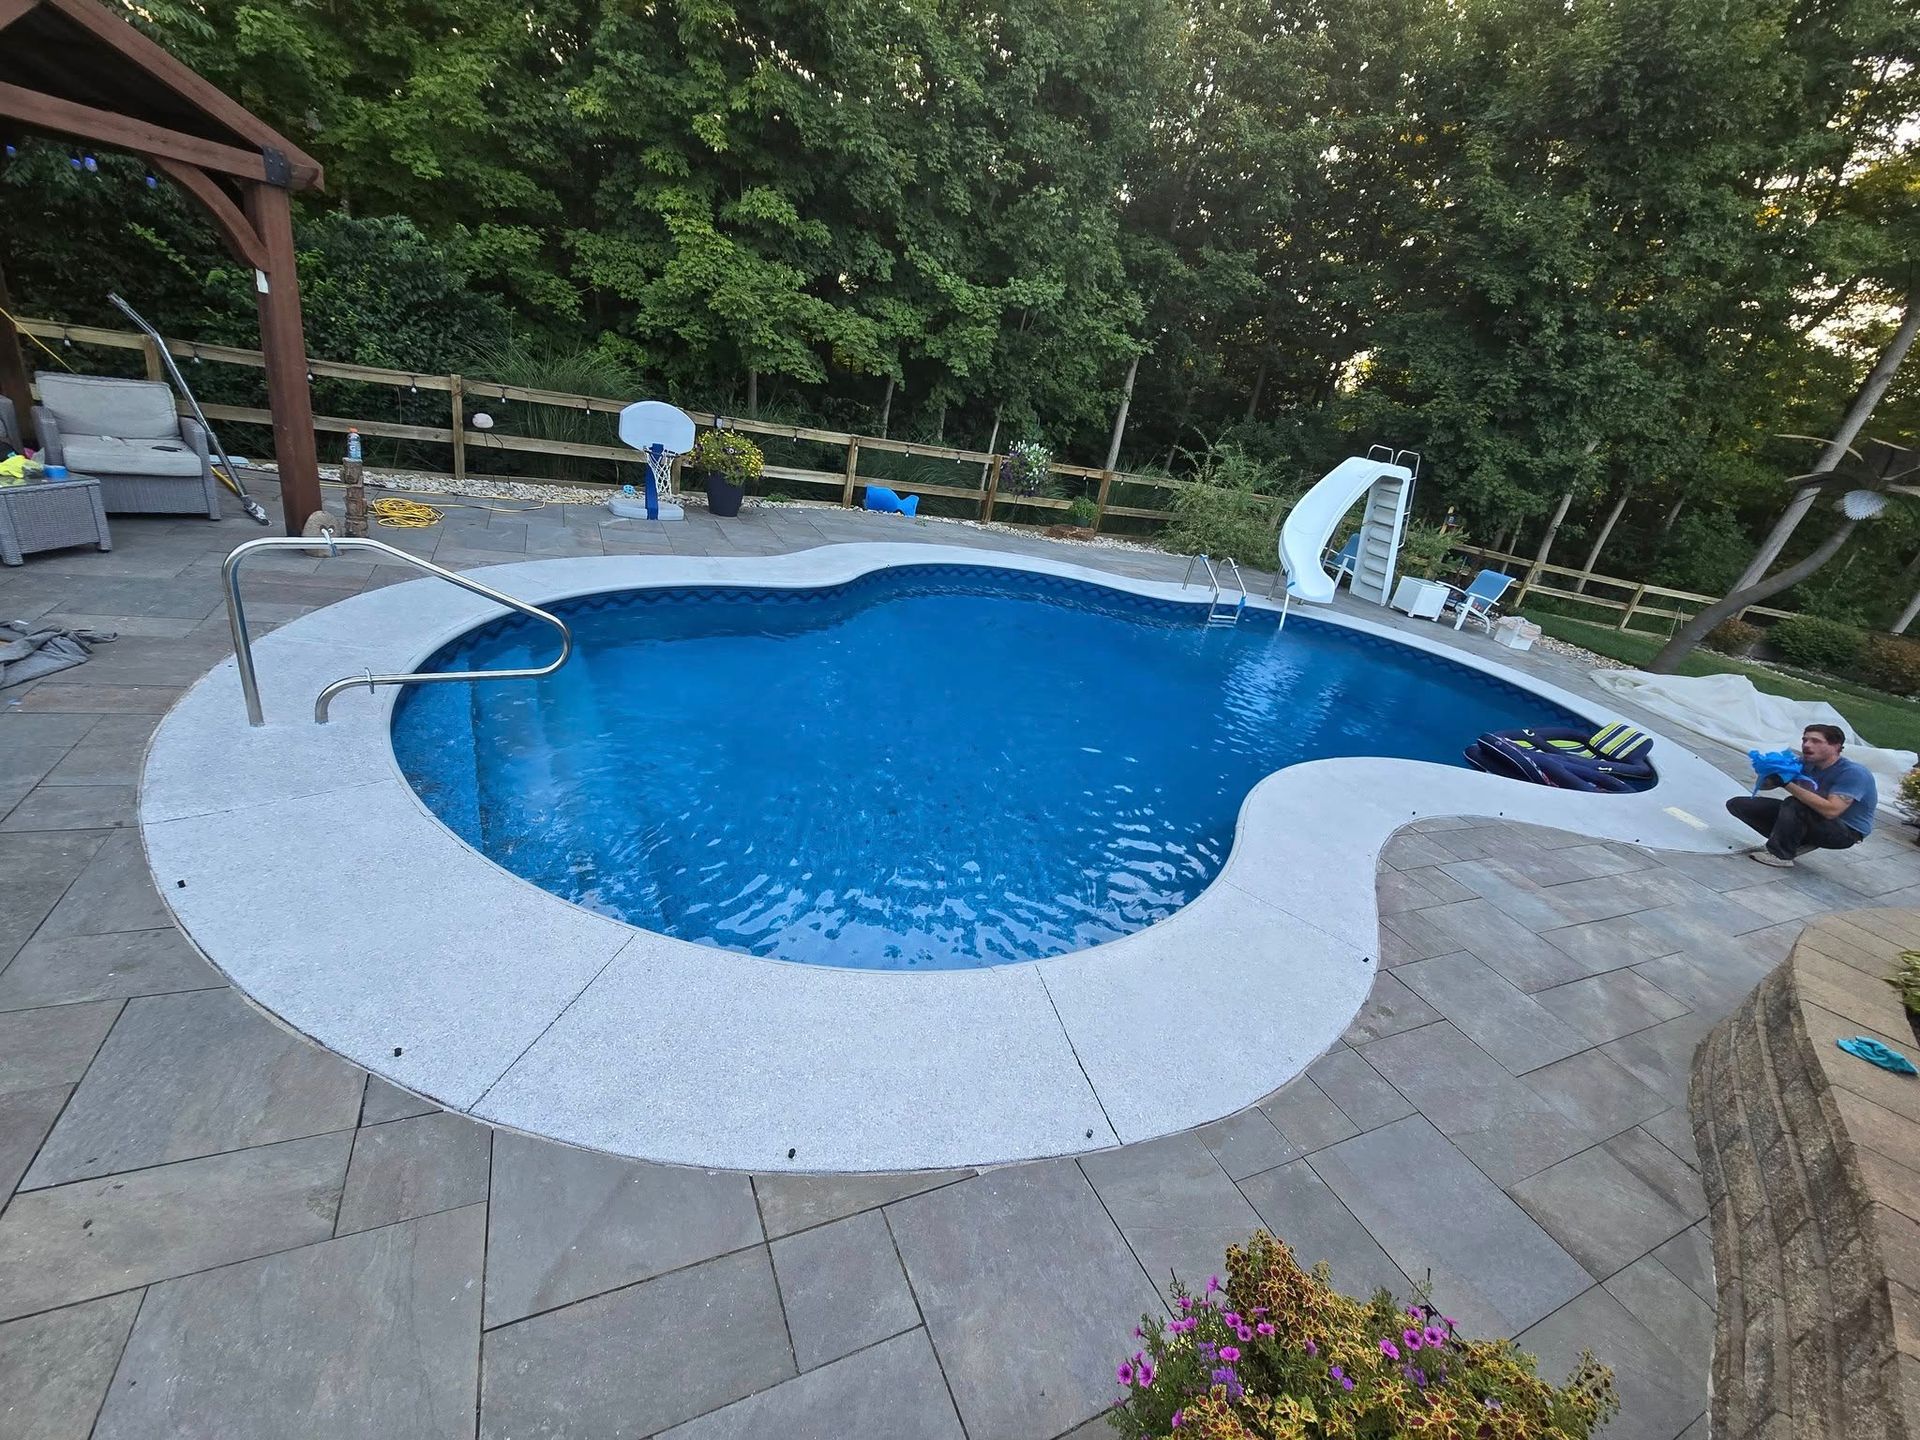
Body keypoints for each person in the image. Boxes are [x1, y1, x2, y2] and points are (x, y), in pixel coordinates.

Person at [1725, 723, 1877, 867]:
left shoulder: (1853, 773)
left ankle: (1780, 855)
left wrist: (1786, 783)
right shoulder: (1806, 763)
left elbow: (1831, 811)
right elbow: (1765, 787)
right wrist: (1770, 771)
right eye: (1805, 740)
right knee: (1739, 805)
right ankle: (1794, 841)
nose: (1807, 745)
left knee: (1795, 803)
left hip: (1846, 832)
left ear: (1836, 746)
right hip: (1814, 817)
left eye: (1816, 741)